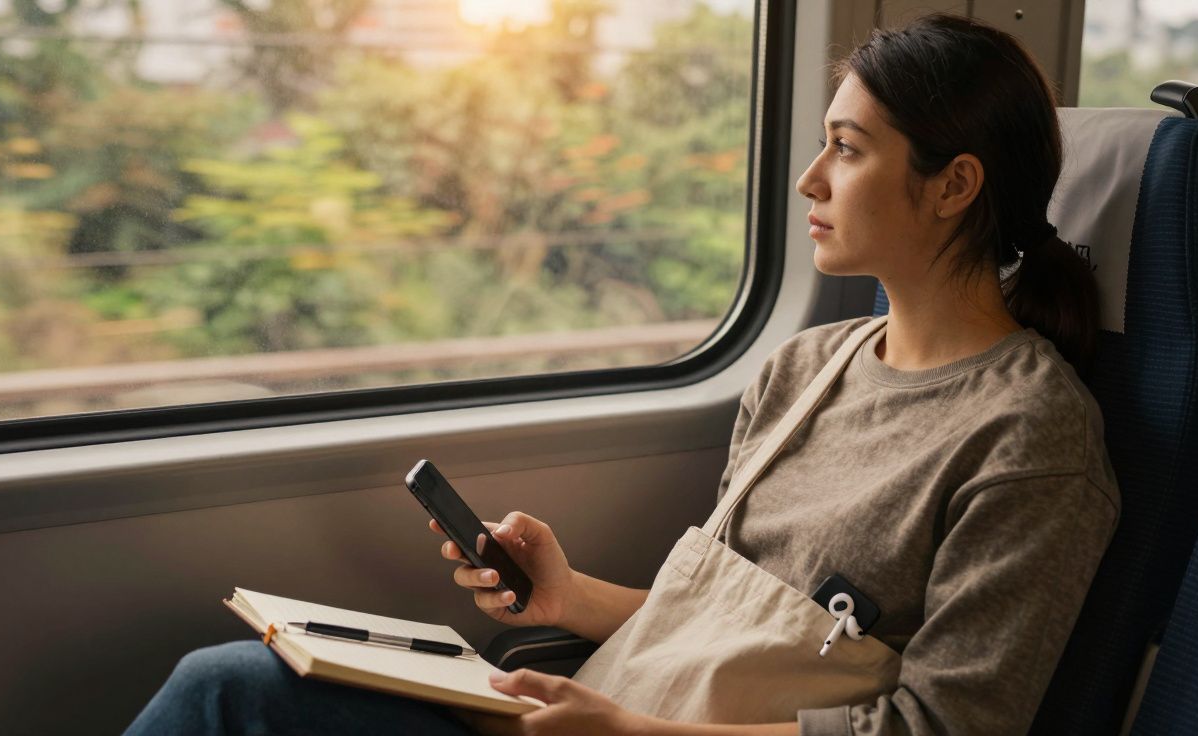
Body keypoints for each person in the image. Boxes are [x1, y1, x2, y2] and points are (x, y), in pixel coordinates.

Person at [125, 13, 1118, 735]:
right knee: (231, 681)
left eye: (847, 150)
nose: (810, 178)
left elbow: (941, 729)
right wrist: (566, 599)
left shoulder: (1030, 438)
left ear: (952, 185)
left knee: (224, 701)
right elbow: (728, 640)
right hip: (627, 711)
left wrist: (630, 731)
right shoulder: (808, 368)